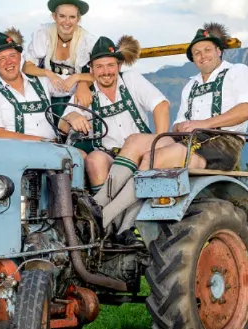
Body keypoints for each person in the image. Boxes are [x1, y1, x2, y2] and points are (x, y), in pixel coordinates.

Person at [95, 22, 248, 239]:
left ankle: (110, 221)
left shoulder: (237, 72)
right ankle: (98, 204)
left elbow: (247, 109)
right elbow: (179, 123)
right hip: (191, 139)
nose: (202, 56)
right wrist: (181, 126)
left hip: (222, 143)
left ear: (219, 51)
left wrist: (205, 123)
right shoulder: (191, 85)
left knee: (152, 159)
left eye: (207, 50)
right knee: (135, 141)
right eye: (197, 53)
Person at [59, 35, 169, 245]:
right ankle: (109, 230)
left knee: (135, 144)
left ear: (119, 66)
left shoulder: (131, 80)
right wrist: (72, 116)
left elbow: (161, 105)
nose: (106, 71)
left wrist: (158, 142)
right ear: (91, 70)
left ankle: (102, 217)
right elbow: (62, 126)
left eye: (110, 65)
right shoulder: (86, 93)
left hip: (141, 151)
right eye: (99, 66)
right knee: (94, 159)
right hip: (111, 155)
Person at [22, 0, 97, 117]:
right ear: (54, 16)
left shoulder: (87, 41)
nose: (67, 22)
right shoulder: (43, 34)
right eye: (62, 16)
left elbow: (101, 73)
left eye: (72, 17)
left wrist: (79, 80)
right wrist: (49, 74)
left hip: (77, 95)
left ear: (78, 18)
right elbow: (27, 67)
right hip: (47, 92)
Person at [0, 28, 57, 142]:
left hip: (54, 149)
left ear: (20, 56)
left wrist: (80, 82)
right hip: (16, 152)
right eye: (2, 58)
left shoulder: (43, 82)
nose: (9, 62)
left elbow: (70, 86)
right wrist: (43, 141)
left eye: (12, 55)